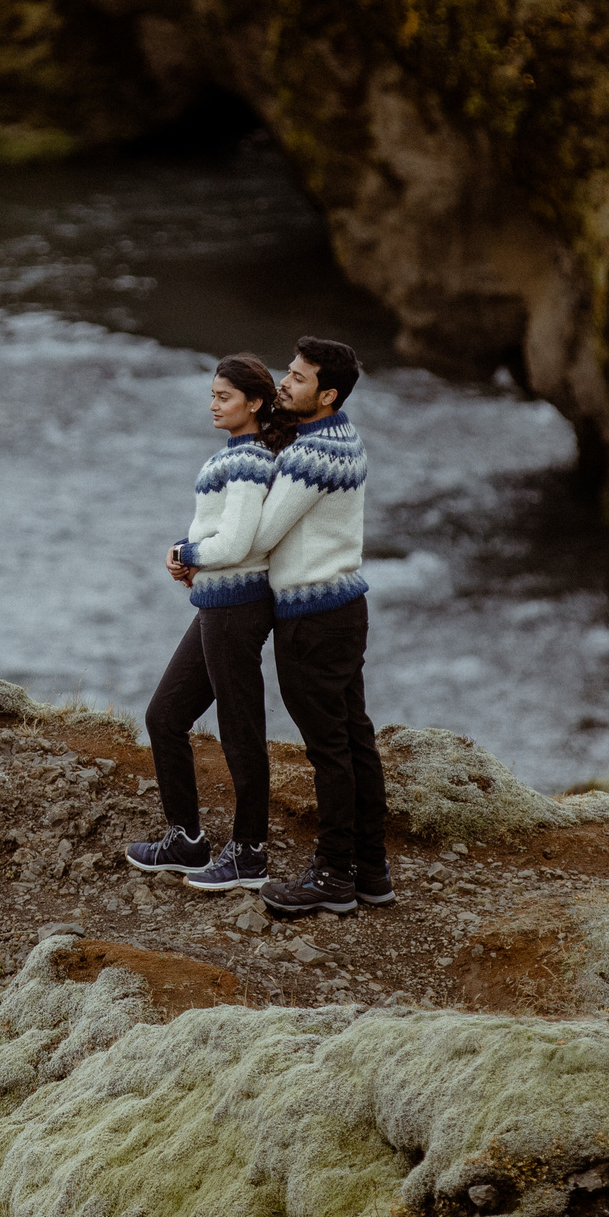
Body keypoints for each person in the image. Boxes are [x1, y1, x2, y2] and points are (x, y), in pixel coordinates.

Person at [125, 354, 293, 891]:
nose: (214, 405)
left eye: (224, 396)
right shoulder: (237, 455)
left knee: (241, 730)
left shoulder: (248, 461)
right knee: (165, 716)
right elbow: (226, 536)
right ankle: (187, 840)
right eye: (212, 395)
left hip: (238, 609)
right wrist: (189, 558)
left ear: (256, 403)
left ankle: (249, 852)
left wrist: (188, 550)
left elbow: (238, 543)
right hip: (216, 604)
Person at [252, 337, 393, 917]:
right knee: (354, 738)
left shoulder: (312, 456)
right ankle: (371, 870)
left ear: (327, 394)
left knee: (329, 747)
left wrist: (194, 552)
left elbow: (261, 534)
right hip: (342, 609)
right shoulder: (341, 437)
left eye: (297, 378)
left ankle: (335, 875)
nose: (283, 383)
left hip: (312, 617)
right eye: (287, 371)